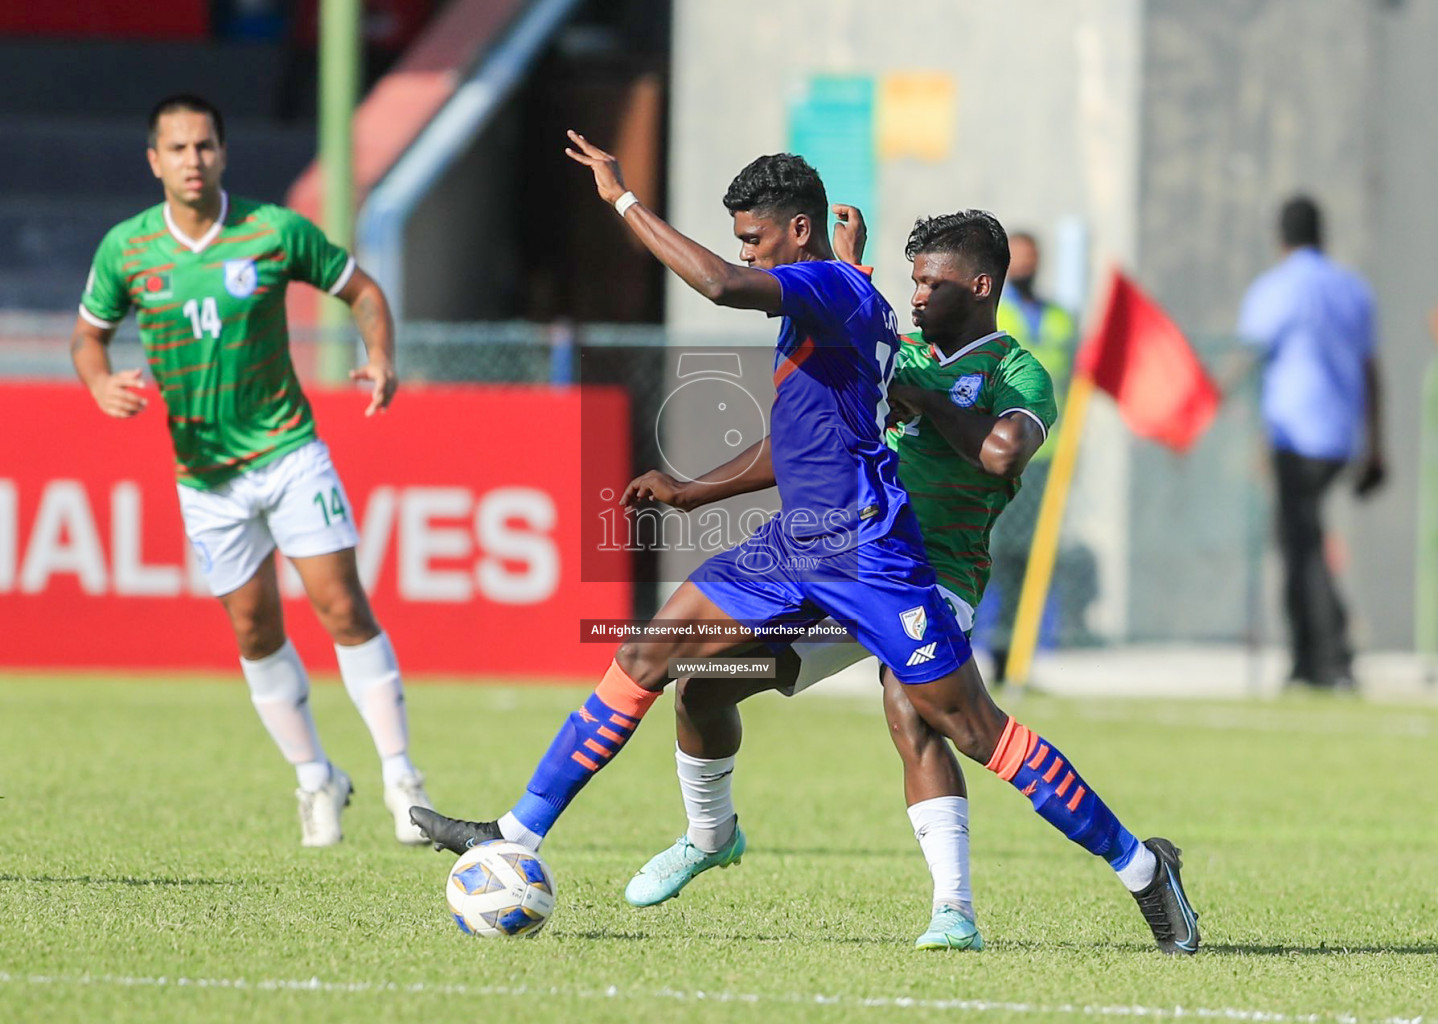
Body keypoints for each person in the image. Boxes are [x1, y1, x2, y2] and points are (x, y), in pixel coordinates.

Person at [413, 134, 1201, 955]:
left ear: (796, 231)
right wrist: (692, 489)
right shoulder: (847, 292)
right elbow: (807, 435)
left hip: (873, 555)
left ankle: (1140, 869)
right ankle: (517, 833)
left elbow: (719, 285)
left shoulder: (835, 290)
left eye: (753, 237)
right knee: (659, 661)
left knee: (966, 728)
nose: (742, 252)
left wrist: (621, 199)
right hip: (796, 542)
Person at [613, 204, 1057, 953]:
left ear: (980, 286)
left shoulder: (1017, 368)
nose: (915, 296)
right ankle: (709, 834)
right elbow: (801, 442)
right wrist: (693, 490)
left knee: (911, 706)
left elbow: (1003, 455)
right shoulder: (899, 353)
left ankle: (955, 911)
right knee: (701, 682)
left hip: (936, 572)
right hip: (844, 563)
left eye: (931, 283)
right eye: (911, 283)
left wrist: (931, 404)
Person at [71, 94, 433, 847]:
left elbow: (361, 291)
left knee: (340, 605)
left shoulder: (273, 231)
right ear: (154, 161)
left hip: (289, 450)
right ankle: (316, 781)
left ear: (223, 153)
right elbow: (87, 336)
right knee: (253, 627)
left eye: (204, 146)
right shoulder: (128, 250)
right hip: (205, 477)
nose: (192, 161)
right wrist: (98, 380)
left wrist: (380, 356)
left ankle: (403, 780)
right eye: (177, 149)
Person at [1237, 195, 1386, 691]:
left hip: (1293, 434)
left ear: (1280, 237)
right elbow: (1371, 370)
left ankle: (1331, 657)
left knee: (1303, 544)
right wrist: (1377, 445)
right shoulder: (1354, 289)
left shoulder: (1276, 289)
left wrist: (1208, 402)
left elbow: (1250, 358)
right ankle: (1307, 657)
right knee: (1300, 539)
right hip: (1340, 436)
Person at [988, 231, 1078, 682]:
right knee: (994, 554)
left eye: (1032, 258)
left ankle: (1015, 657)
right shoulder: (993, 313)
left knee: (1030, 559)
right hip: (999, 455)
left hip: (1045, 461)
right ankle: (976, 649)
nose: (1027, 266)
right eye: (1018, 259)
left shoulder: (1062, 318)